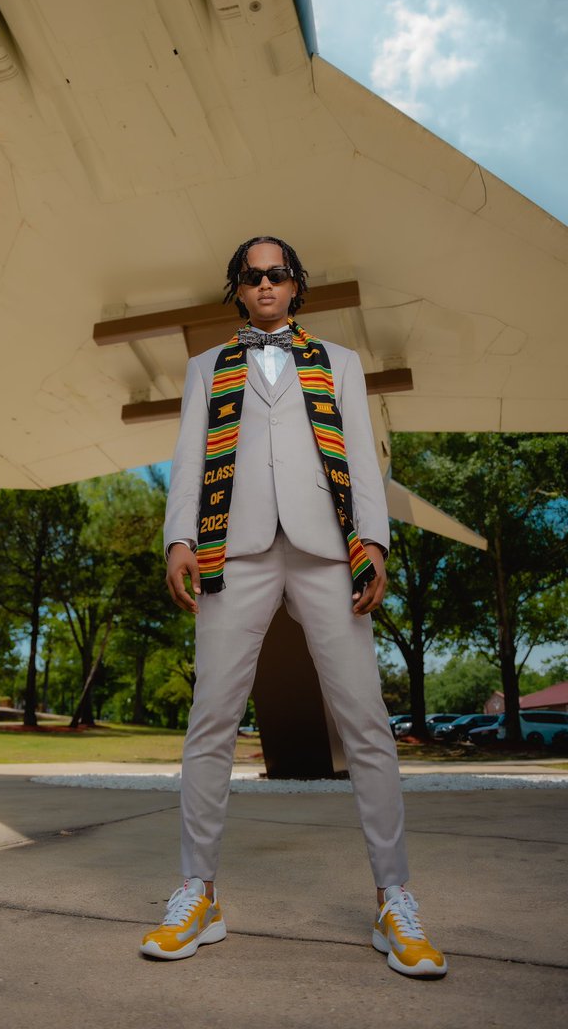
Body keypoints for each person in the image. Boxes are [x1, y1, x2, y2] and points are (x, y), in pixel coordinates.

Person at [139, 236, 446, 979]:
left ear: (297, 285)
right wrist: (180, 536)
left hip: (326, 550)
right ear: (238, 290)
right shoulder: (204, 369)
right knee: (211, 721)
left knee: (367, 724)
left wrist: (372, 538)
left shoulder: (338, 362)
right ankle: (198, 894)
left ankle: (393, 899)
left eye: (279, 273)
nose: (266, 283)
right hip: (231, 549)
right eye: (253, 276)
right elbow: (188, 456)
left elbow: (364, 458)